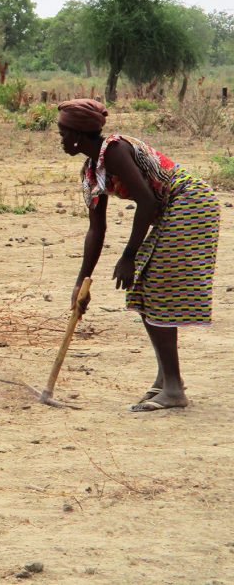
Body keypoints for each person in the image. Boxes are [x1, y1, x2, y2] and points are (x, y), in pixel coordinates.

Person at [57, 99, 220, 412]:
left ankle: (173, 389)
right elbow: (96, 230)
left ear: (79, 134)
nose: (61, 139)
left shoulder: (115, 150)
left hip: (190, 203)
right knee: (142, 290)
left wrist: (129, 256)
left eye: (64, 132)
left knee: (154, 281)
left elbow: (147, 203)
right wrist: (82, 282)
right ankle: (166, 380)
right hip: (168, 211)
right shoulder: (91, 172)